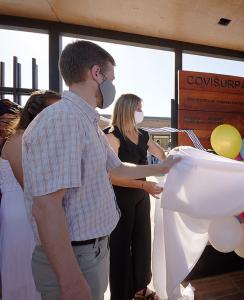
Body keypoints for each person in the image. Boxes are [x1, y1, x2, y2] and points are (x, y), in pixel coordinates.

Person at [22, 40, 179, 300]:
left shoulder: (86, 122)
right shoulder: (64, 120)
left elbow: (117, 167)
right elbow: (46, 207)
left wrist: (162, 166)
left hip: (90, 252)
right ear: (97, 73)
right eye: (111, 78)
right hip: (76, 257)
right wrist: (71, 282)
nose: (113, 86)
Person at [104, 94, 166, 300]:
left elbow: (162, 154)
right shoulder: (112, 136)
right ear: (127, 109)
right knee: (120, 248)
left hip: (141, 197)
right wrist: (144, 184)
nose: (141, 112)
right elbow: (112, 176)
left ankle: (140, 288)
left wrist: (178, 158)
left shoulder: (144, 135)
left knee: (142, 243)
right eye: (138, 108)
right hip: (119, 199)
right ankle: (121, 294)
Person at [0, 91, 61, 299]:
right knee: (23, 273)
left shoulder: (37, 138)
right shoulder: (18, 139)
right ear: (37, 112)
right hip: (20, 213)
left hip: (36, 210)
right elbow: (30, 184)